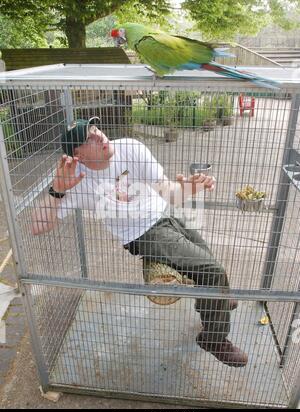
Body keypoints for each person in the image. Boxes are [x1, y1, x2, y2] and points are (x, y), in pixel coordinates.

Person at [31, 118, 248, 367]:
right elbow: (39, 226)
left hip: (165, 212)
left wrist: (189, 187)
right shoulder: (77, 179)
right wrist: (56, 191)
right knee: (213, 271)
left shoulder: (130, 147)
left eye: (95, 128)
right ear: (77, 154)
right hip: (143, 234)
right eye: (88, 137)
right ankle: (214, 338)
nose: (98, 135)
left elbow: (167, 191)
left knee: (207, 260)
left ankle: (212, 301)